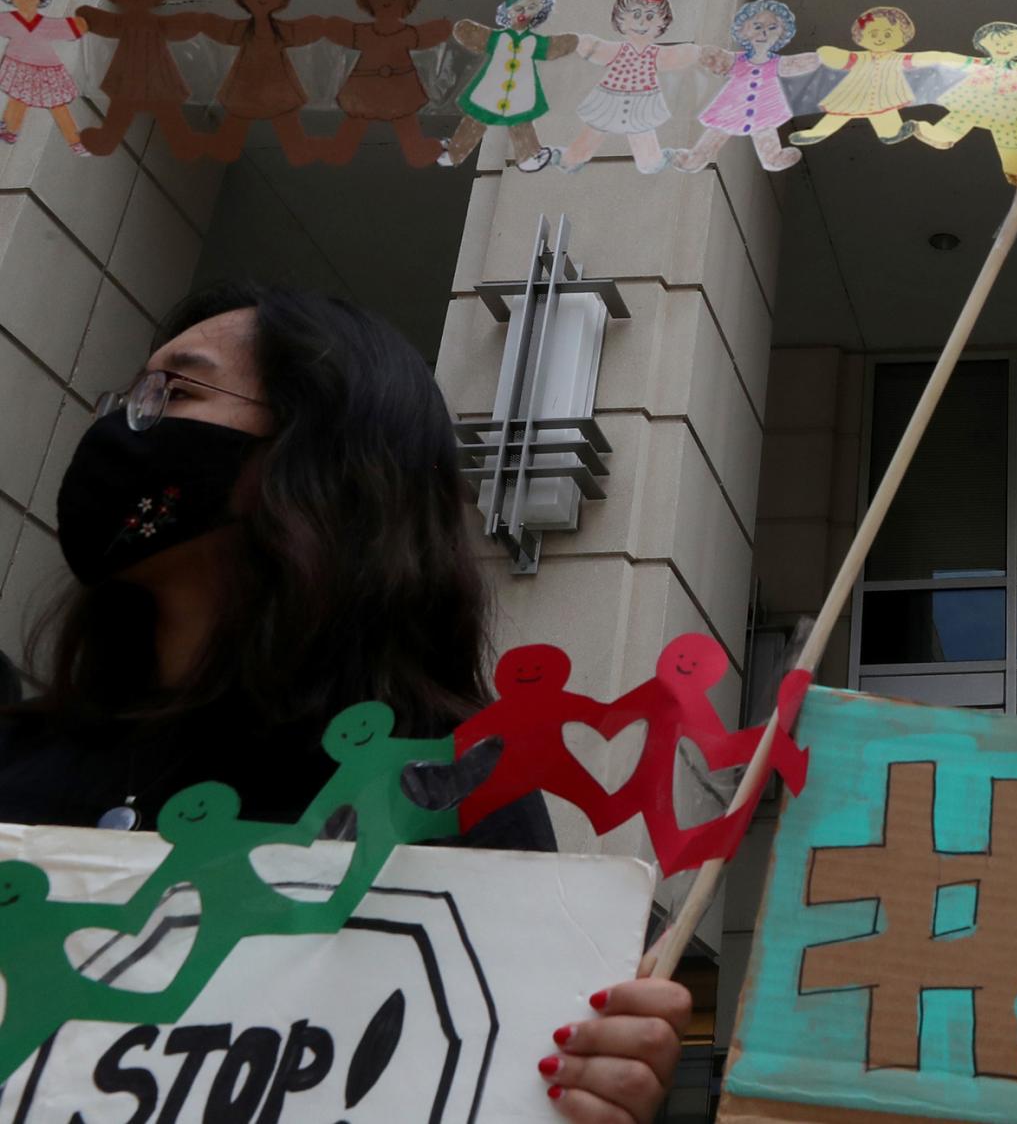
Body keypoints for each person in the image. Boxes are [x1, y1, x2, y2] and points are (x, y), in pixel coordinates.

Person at [0, 283, 686, 1123]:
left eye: (176, 391)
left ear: (317, 456)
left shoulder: (441, 787)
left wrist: (584, 1085)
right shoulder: (18, 754)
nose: (124, 425)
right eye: (133, 393)